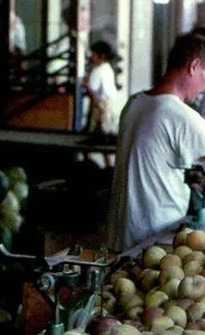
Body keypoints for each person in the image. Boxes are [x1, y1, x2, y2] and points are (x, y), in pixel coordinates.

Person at [107, 32, 205, 252]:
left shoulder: (134, 103)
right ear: (194, 66)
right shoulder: (181, 117)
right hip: (155, 247)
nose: (203, 87)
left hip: (119, 241)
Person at [83, 40, 119, 137]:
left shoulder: (97, 70)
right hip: (110, 104)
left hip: (101, 105)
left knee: (97, 133)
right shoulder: (108, 68)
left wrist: (85, 84)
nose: (92, 57)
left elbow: (93, 90)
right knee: (107, 131)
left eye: (94, 54)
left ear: (101, 56)